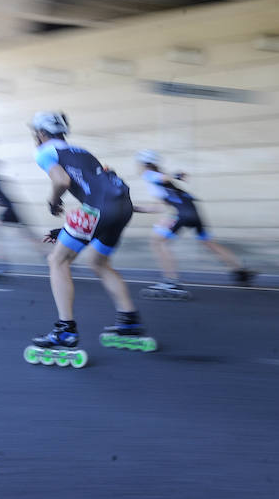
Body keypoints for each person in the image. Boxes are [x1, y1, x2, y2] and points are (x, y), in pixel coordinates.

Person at [28, 112, 151, 353]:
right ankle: (129, 321)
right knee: (99, 262)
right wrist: (65, 230)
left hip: (97, 210)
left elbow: (61, 181)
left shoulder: (44, 151)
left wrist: (53, 203)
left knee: (57, 260)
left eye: (35, 133)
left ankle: (65, 330)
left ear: (41, 133)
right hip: (122, 208)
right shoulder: (81, 151)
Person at [134, 149, 254, 297]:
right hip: (192, 211)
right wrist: (135, 209)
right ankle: (241, 270)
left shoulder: (149, 175)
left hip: (182, 213)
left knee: (158, 242)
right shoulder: (160, 183)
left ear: (145, 164)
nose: (137, 166)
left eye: (139, 163)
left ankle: (171, 282)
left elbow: (163, 177)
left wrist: (175, 175)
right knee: (208, 242)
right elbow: (160, 206)